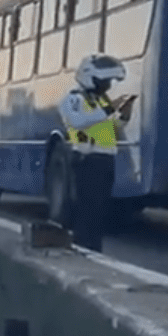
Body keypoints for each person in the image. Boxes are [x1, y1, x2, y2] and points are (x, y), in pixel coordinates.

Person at [57, 54, 132, 252]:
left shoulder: (101, 101)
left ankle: (93, 247)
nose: (107, 86)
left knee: (99, 210)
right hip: (87, 159)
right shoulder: (73, 99)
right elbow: (78, 122)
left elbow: (109, 129)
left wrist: (124, 116)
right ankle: (82, 246)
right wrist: (109, 109)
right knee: (87, 209)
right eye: (104, 81)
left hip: (105, 159)